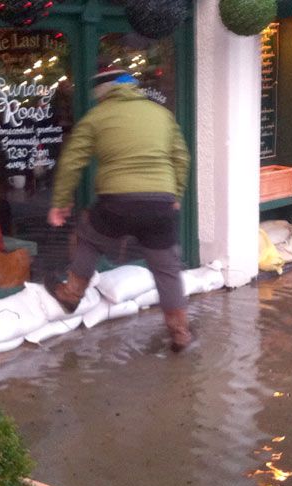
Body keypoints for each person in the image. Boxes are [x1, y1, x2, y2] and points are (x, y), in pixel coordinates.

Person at [45, 69, 193, 352]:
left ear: (102, 93)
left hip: (117, 202)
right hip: (160, 202)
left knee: (89, 236)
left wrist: (61, 202)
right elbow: (181, 157)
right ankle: (180, 333)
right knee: (167, 270)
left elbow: (72, 162)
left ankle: (72, 293)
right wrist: (175, 194)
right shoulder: (160, 114)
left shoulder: (96, 118)